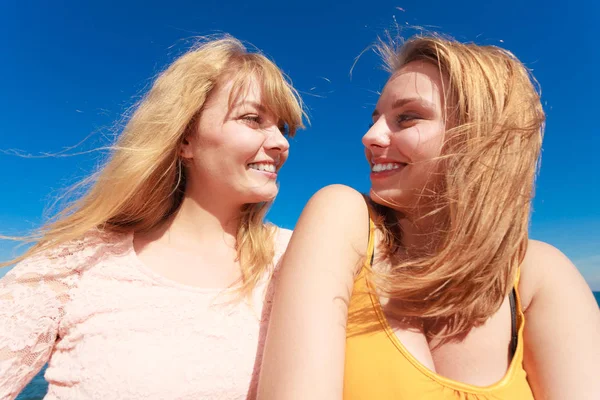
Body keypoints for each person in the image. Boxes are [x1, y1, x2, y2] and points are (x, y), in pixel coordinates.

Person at [258, 34, 600, 400]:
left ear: (482, 137)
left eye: (407, 118)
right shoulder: (345, 220)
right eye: (376, 119)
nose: (369, 136)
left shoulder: (539, 274)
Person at [0, 35, 305, 400]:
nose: (280, 143)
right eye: (253, 119)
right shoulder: (75, 263)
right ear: (184, 139)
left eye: (282, 127)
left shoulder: (299, 258)